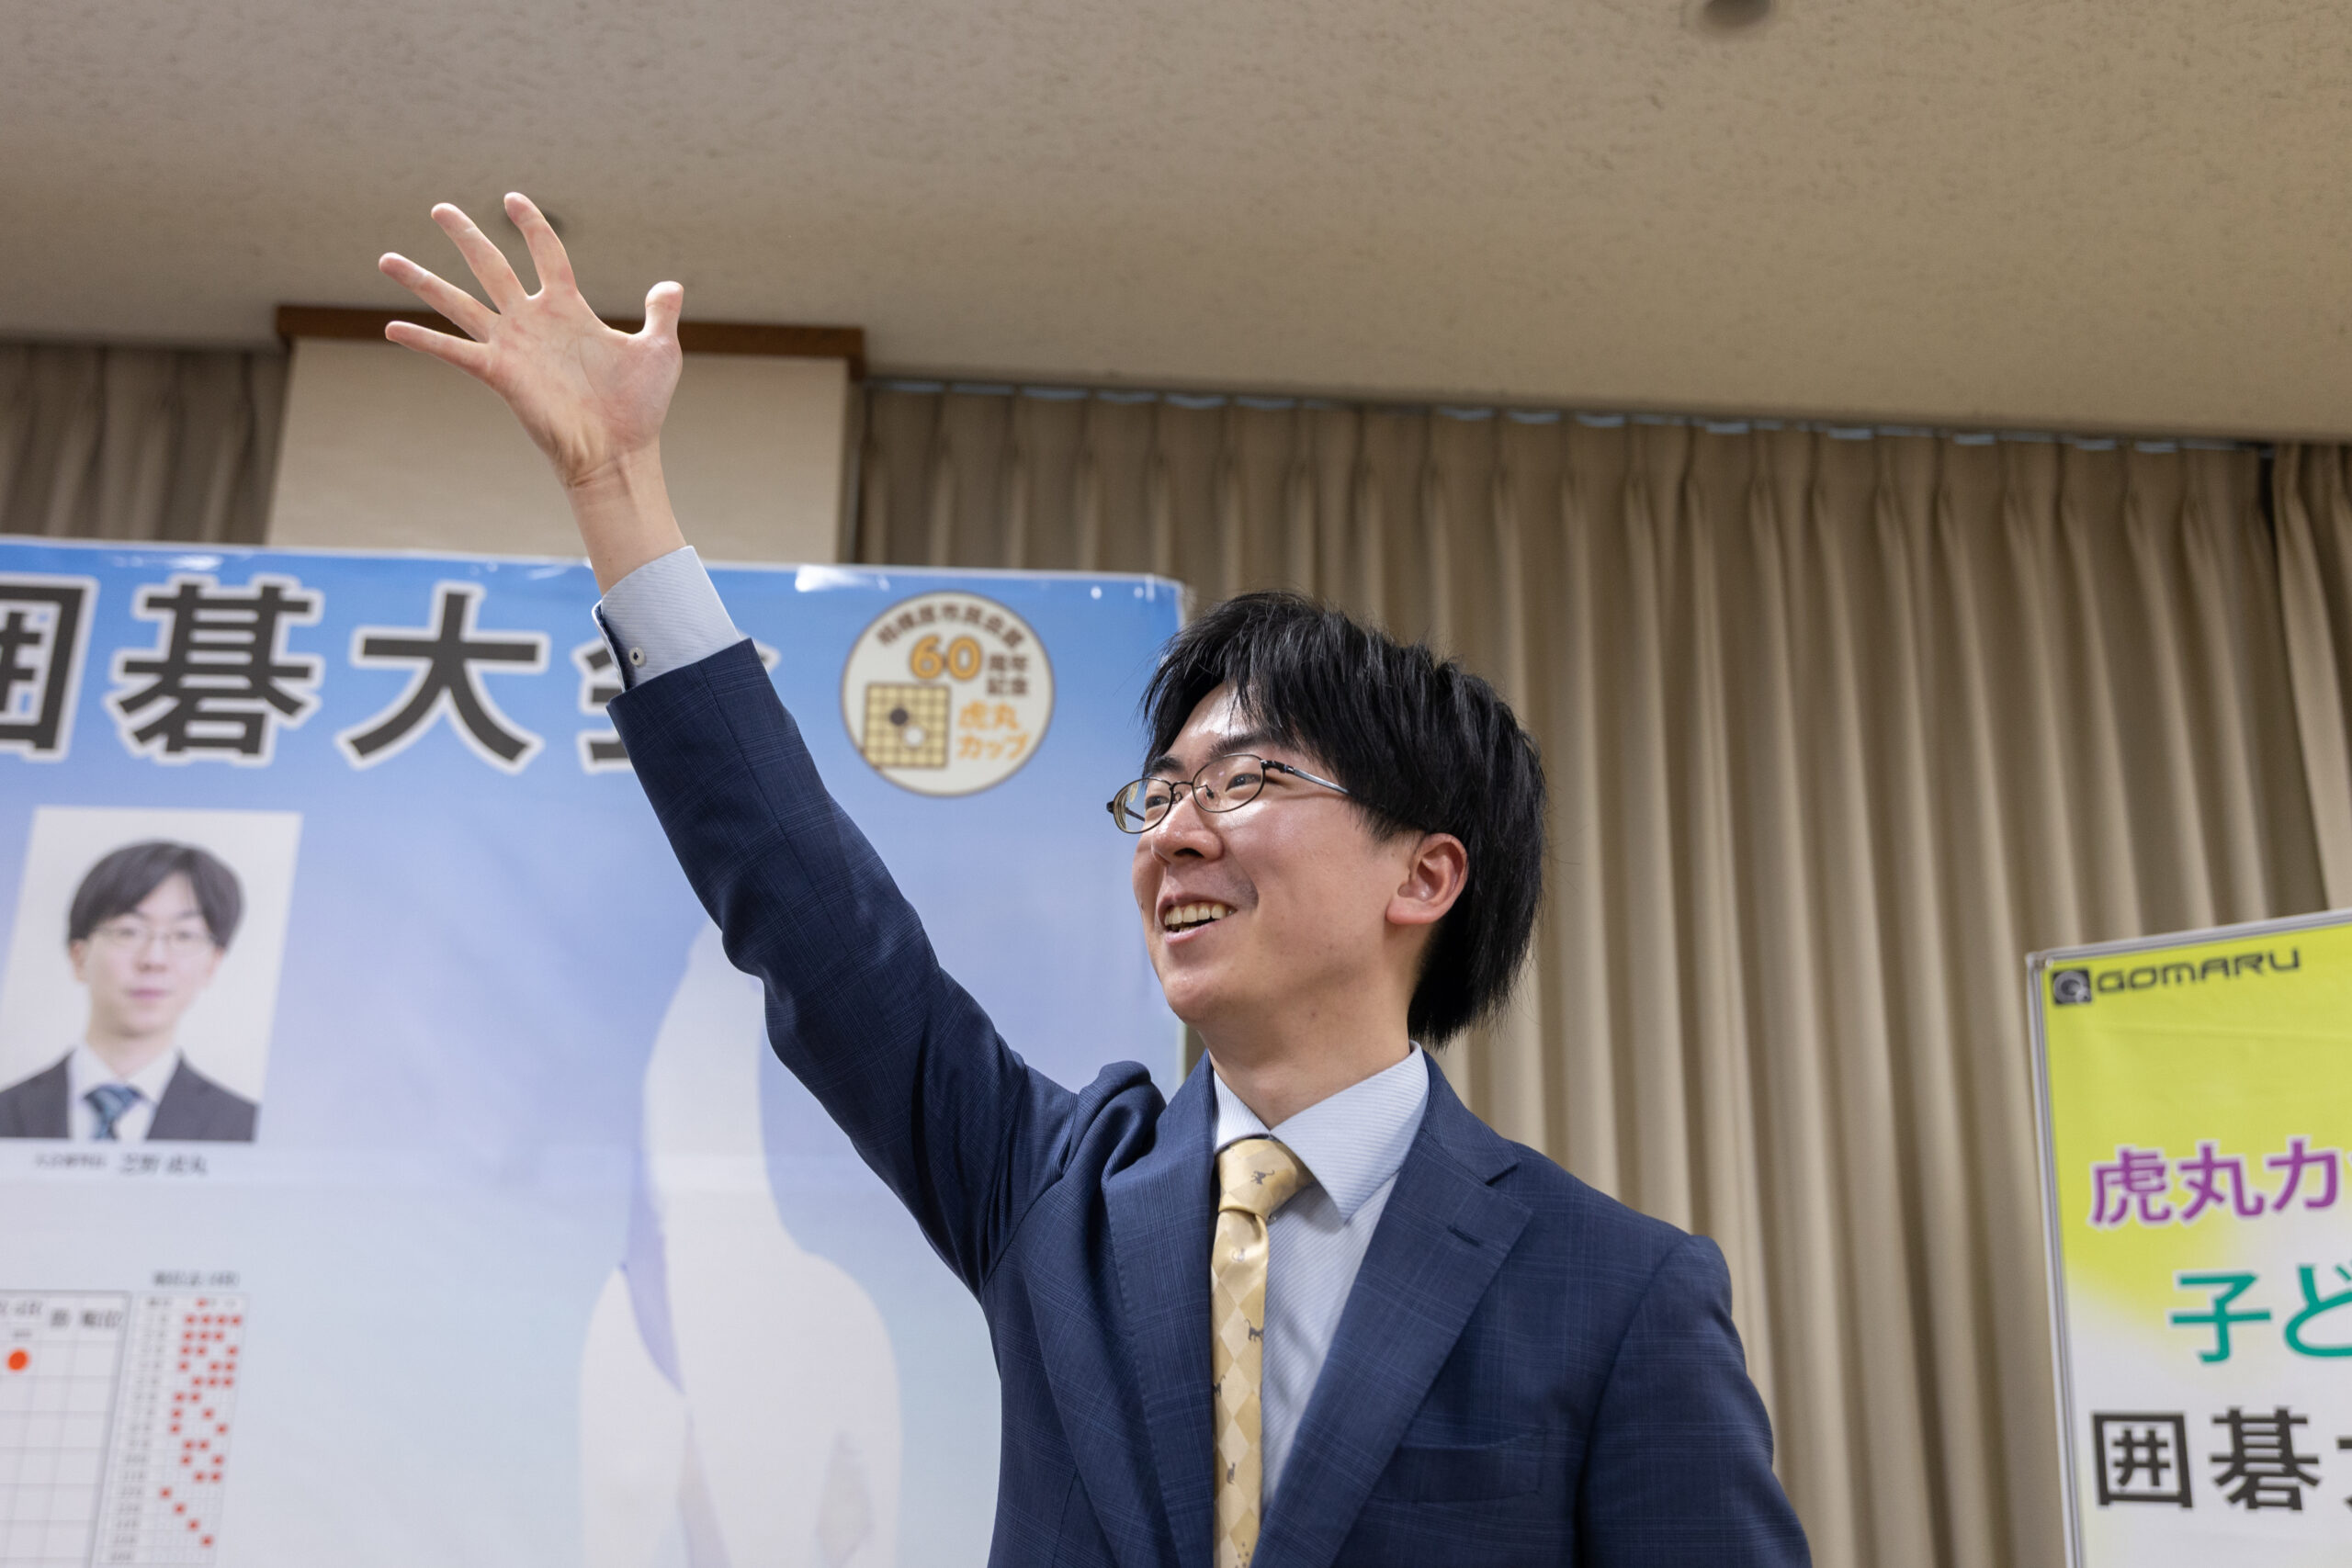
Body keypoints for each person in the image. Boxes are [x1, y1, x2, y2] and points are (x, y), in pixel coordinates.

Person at [378, 194, 1810, 1566]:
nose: (1176, 831)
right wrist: (617, 486)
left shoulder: (1615, 1288)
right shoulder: (1052, 1189)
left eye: (1247, 779)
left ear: (1426, 872)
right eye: (1163, 790)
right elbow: (813, 917)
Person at [0, 840, 257, 1142]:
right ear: (79, 957)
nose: (154, 960)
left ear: (212, 964)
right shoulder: (7, 1109)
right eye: (128, 931)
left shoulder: (246, 1127)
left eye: (184, 935)